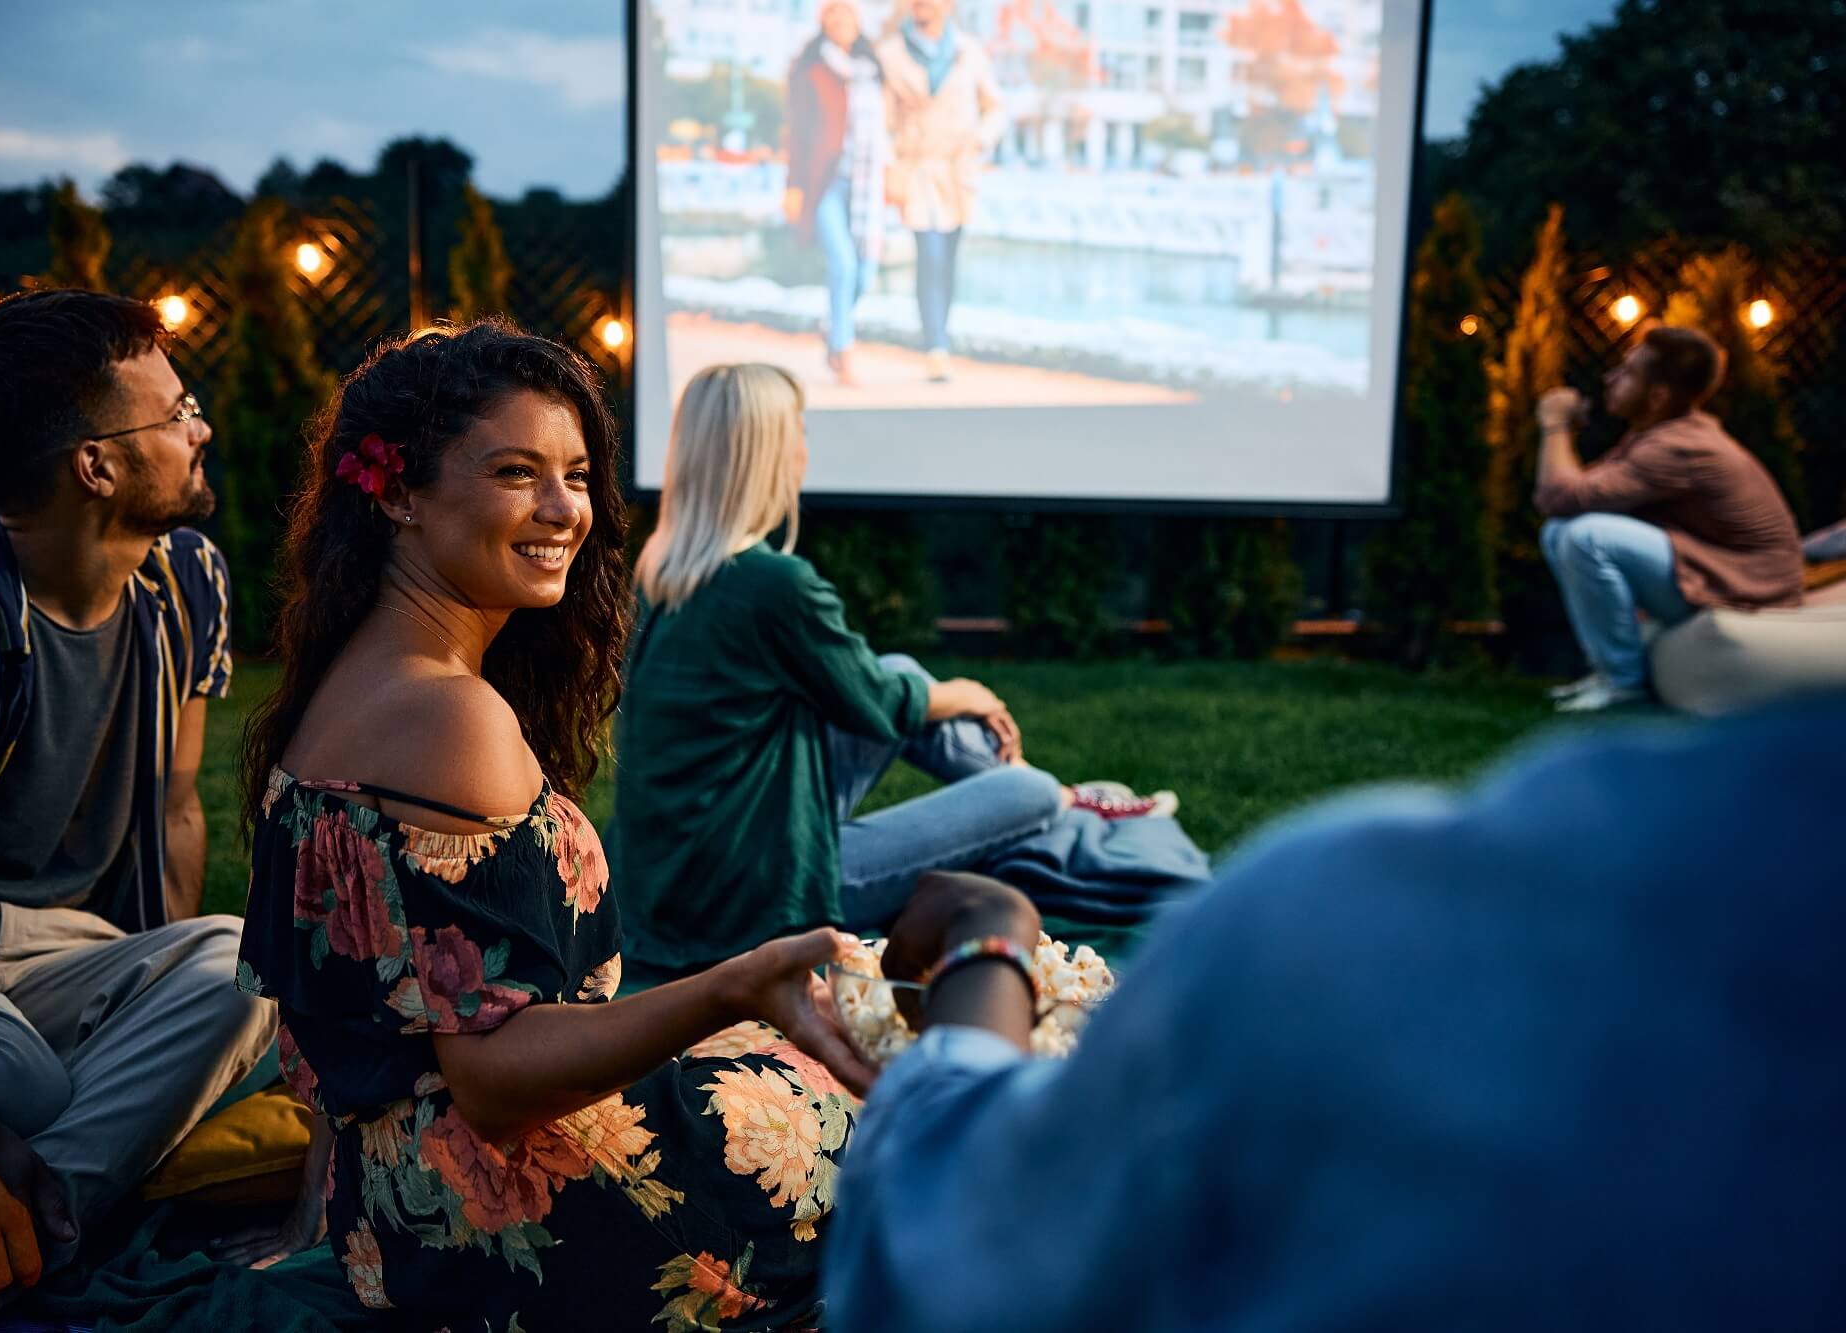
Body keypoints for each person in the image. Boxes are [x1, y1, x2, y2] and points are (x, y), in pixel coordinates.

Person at [825, 691, 1846, 1331]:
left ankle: (1085, 811)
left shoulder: (1347, 929)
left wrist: (988, 941)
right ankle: (1093, 812)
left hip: (1018, 933)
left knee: (1041, 795)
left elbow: (958, 1236)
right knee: (1047, 799)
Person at [232, 321, 877, 1330]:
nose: (561, 507)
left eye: (576, 473)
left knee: (847, 1050)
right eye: (516, 471)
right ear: (399, 493)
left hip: (402, 1224)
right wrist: (739, 981)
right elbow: (491, 1076)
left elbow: (359, 1028)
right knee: (930, 1101)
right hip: (549, 1224)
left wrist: (328, 1218)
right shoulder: (448, 716)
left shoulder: (347, 686)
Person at [0, 289, 272, 1333]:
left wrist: (154, 992)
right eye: (176, 413)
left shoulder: (187, 582)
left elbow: (177, 808)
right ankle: (28, 1179)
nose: (200, 426)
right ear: (97, 466)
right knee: (16, 1089)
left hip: (71, 953)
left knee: (246, 961)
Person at [609, 364, 1157, 976]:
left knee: (900, 671)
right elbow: (880, 704)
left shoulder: (663, 575)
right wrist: (964, 693)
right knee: (1022, 789)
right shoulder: (773, 586)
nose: (803, 449)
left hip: (674, 885)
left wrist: (932, 694)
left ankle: (1056, 801)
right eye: (798, 431)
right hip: (756, 902)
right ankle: (1061, 803)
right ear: (766, 455)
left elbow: (868, 687)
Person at [1534, 324, 1803, 712]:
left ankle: (1622, 684)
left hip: (1750, 587)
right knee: (1561, 532)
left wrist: (1554, 423)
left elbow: (1558, 495)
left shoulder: (1678, 447)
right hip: (1718, 567)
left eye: (1627, 373)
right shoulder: (1660, 435)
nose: (1610, 378)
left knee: (1584, 537)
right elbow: (1572, 496)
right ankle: (1607, 672)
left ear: (1658, 397)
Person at [876, 0, 1005, 383]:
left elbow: (996, 108)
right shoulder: (890, 55)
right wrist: (888, 163)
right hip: (916, 167)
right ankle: (935, 345)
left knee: (947, 257)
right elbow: (881, 121)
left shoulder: (969, 52)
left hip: (959, 170)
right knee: (929, 253)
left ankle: (941, 335)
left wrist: (981, 140)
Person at [785, 0, 889, 387]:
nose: (840, 20)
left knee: (866, 271)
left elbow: (884, 131)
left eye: (846, 13)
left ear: (858, 21)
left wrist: (892, 172)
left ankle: (832, 327)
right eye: (832, 13)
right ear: (823, 21)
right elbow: (797, 132)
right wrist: (794, 186)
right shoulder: (811, 70)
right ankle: (843, 353)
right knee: (843, 264)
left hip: (866, 184)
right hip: (824, 183)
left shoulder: (873, 70)